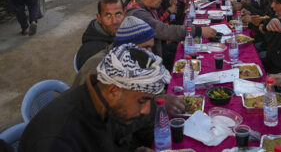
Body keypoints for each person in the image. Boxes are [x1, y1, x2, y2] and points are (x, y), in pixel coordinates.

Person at [19, 43, 177, 152]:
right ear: (114, 90)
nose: (146, 109)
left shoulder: (108, 102)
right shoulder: (58, 141)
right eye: (142, 100)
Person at [128, 0, 216, 62]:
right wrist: (198, 30)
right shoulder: (137, 13)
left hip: (160, 49)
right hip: (150, 61)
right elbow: (164, 30)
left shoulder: (150, 7)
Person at [76, 0, 124, 70]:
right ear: (99, 18)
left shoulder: (121, 33)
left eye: (118, 14)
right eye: (108, 15)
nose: (114, 21)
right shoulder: (94, 52)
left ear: (124, 14)